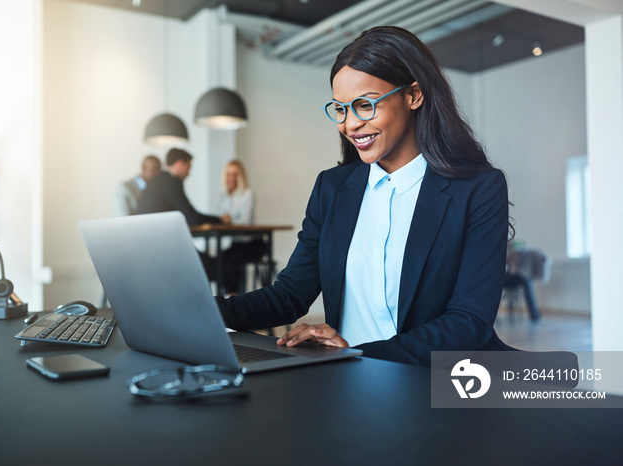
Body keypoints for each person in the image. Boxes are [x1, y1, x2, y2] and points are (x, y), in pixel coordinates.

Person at [215, 26, 512, 366]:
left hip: (436, 382)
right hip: (350, 381)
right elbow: (289, 296)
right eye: (340, 109)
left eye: (365, 105)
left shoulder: (478, 189)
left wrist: (357, 355)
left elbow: (468, 322)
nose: (350, 124)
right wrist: (197, 309)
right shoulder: (332, 188)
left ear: (413, 95)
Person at [137, 148, 229, 225]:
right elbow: (192, 218)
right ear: (180, 164)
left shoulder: (158, 180)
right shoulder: (171, 182)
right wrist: (219, 220)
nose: (189, 174)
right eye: (188, 168)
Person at [219, 160, 265, 294]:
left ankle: (236, 299)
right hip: (236, 244)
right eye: (229, 174)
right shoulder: (223, 197)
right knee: (219, 262)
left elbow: (246, 221)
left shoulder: (248, 194)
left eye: (235, 174)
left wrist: (227, 220)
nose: (231, 178)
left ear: (241, 176)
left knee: (231, 264)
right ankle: (227, 298)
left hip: (252, 244)